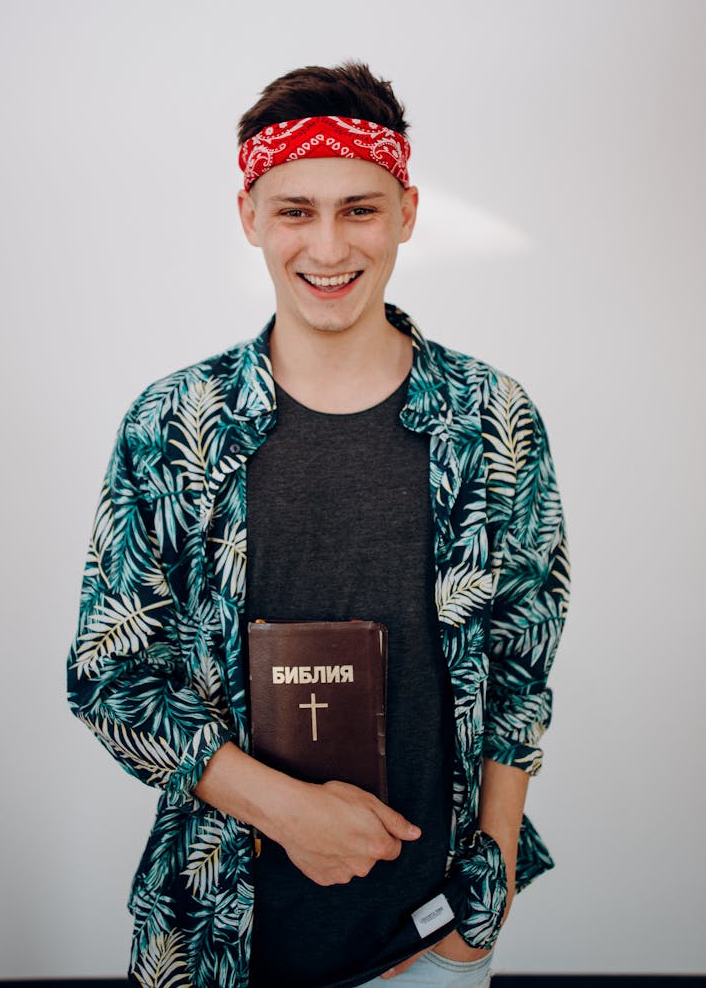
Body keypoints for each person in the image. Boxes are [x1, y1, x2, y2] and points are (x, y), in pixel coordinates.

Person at [67, 62, 570, 988]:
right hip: (218, 929)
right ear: (249, 215)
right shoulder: (175, 424)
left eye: (361, 208)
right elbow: (111, 674)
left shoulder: (492, 416)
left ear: (409, 211)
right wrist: (285, 810)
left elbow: (522, 663)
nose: (329, 244)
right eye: (295, 209)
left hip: (426, 938)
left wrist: (484, 895)